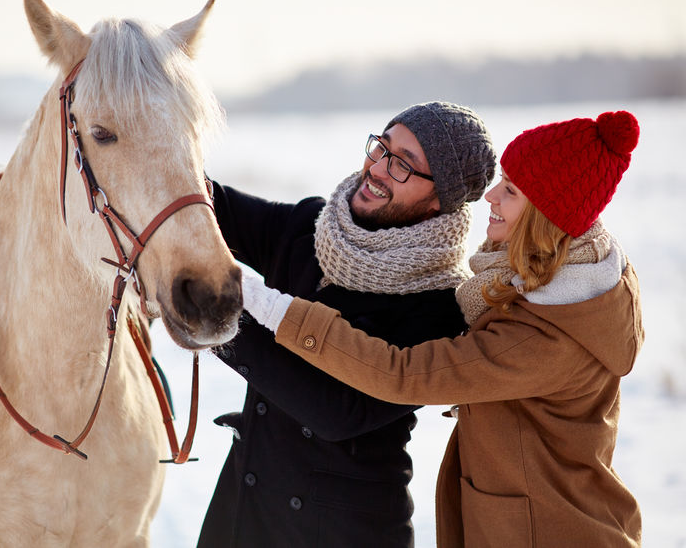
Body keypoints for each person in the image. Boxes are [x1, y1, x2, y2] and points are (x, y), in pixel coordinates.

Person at [241, 110, 643, 547]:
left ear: (545, 217)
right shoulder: (533, 287)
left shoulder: (541, 338)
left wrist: (269, 309)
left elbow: (400, 373)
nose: (489, 196)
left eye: (509, 191)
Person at [197, 102, 496, 548]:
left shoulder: (440, 305)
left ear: (440, 201)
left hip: (342, 534)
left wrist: (208, 313)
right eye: (382, 147)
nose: (377, 168)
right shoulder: (310, 229)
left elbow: (335, 410)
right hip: (240, 516)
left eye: (403, 166)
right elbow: (207, 206)